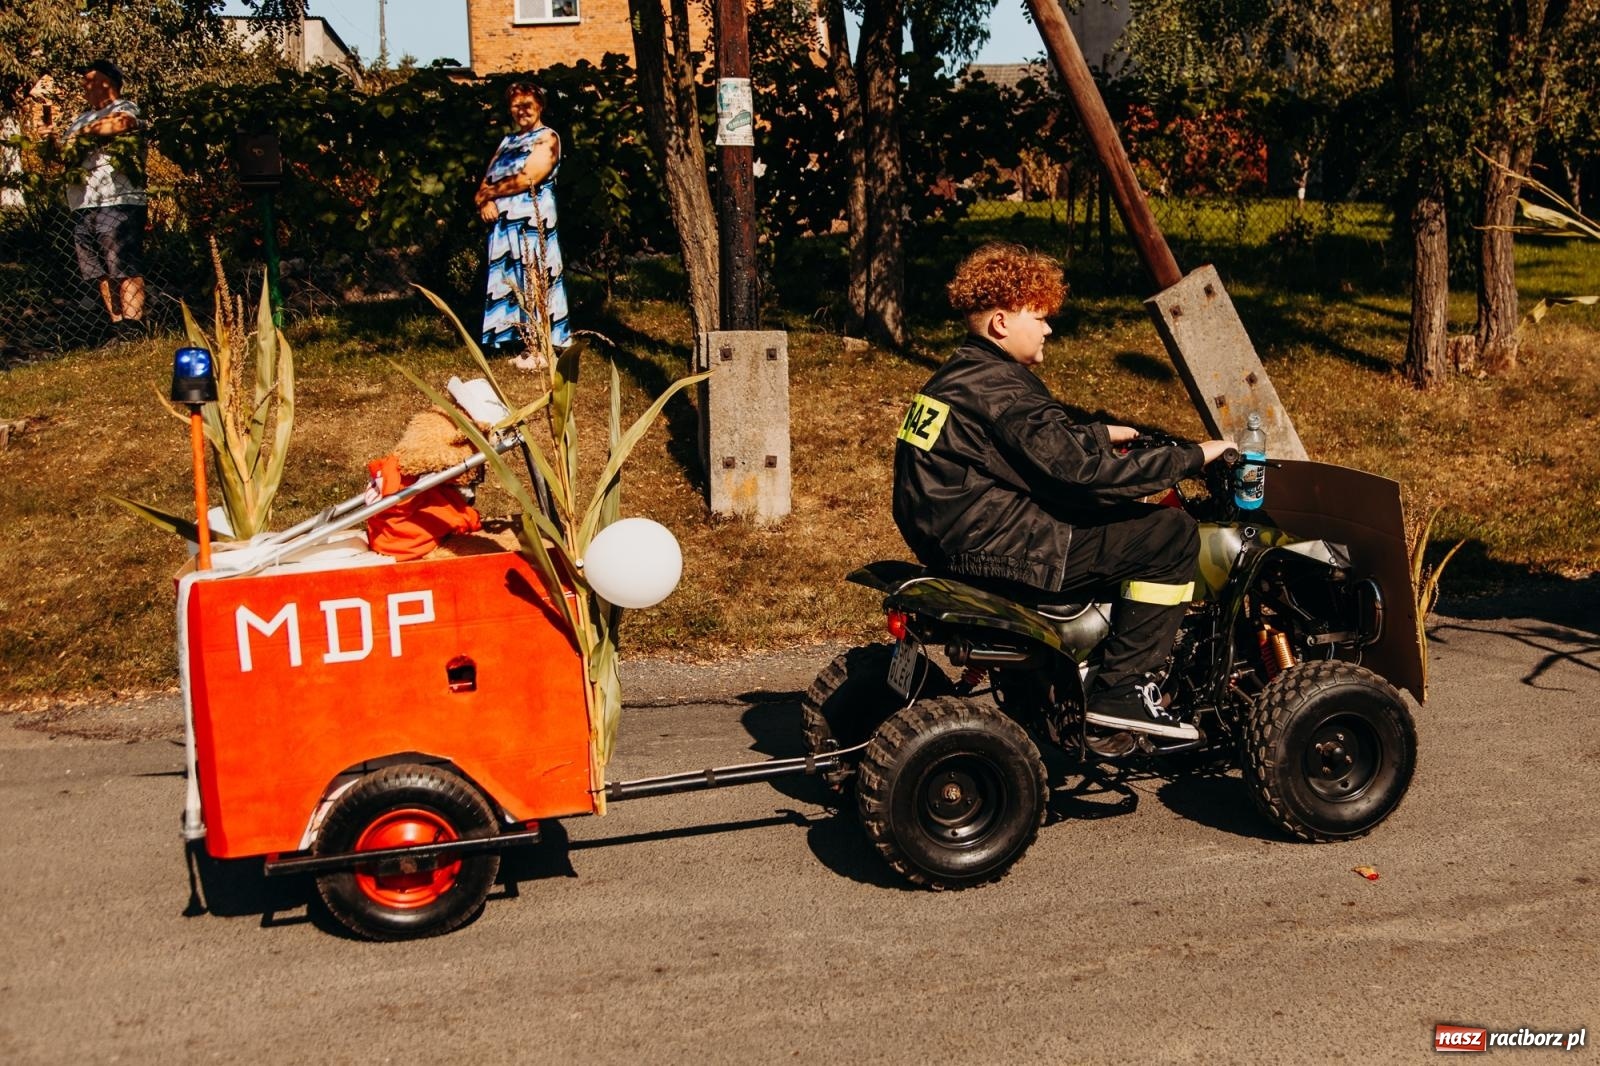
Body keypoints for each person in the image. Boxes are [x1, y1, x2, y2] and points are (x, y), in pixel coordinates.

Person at [892, 243, 1236, 740]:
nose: (1050, 327)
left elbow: (1016, 450)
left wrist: (1098, 434)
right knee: (1170, 534)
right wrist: (1193, 456)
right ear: (1002, 323)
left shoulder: (959, 376)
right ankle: (1123, 689)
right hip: (1000, 544)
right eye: (1040, 316)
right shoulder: (1007, 390)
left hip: (950, 537)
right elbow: (1081, 478)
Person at [476, 80, 570, 368]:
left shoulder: (547, 138)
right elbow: (488, 178)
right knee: (514, 280)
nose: (522, 111)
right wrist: (484, 201)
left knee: (536, 277)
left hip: (533, 218)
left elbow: (530, 176)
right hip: (504, 225)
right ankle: (526, 345)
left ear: (539, 105)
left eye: (527, 104)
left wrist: (489, 193)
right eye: (516, 106)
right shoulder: (507, 141)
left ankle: (544, 349)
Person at [60, 60, 147, 340]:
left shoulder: (125, 107)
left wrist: (82, 134)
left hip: (118, 198)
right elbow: (64, 152)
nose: (87, 88)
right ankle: (118, 325)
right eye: (85, 83)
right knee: (98, 270)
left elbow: (124, 124)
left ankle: (134, 326)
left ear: (110, 83)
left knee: (122, 264)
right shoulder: (80, 118)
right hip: (84, 203)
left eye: (93, 82)